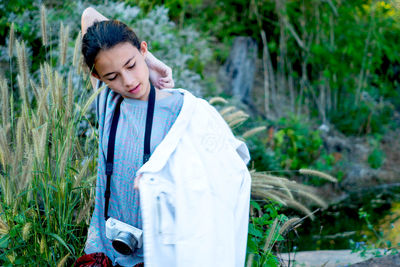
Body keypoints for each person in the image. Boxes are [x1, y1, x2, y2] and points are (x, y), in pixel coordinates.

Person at [80, 7, 251, 267]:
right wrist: (150, 63)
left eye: (132, 65)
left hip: (158, 255)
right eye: (112, 76)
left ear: (143, 50)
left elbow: (223, 175)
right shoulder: (106, 99)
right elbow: (89, 16)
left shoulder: (183, 111)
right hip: (105, 252)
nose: (127, 81)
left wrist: (161, 182)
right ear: (97, 77)